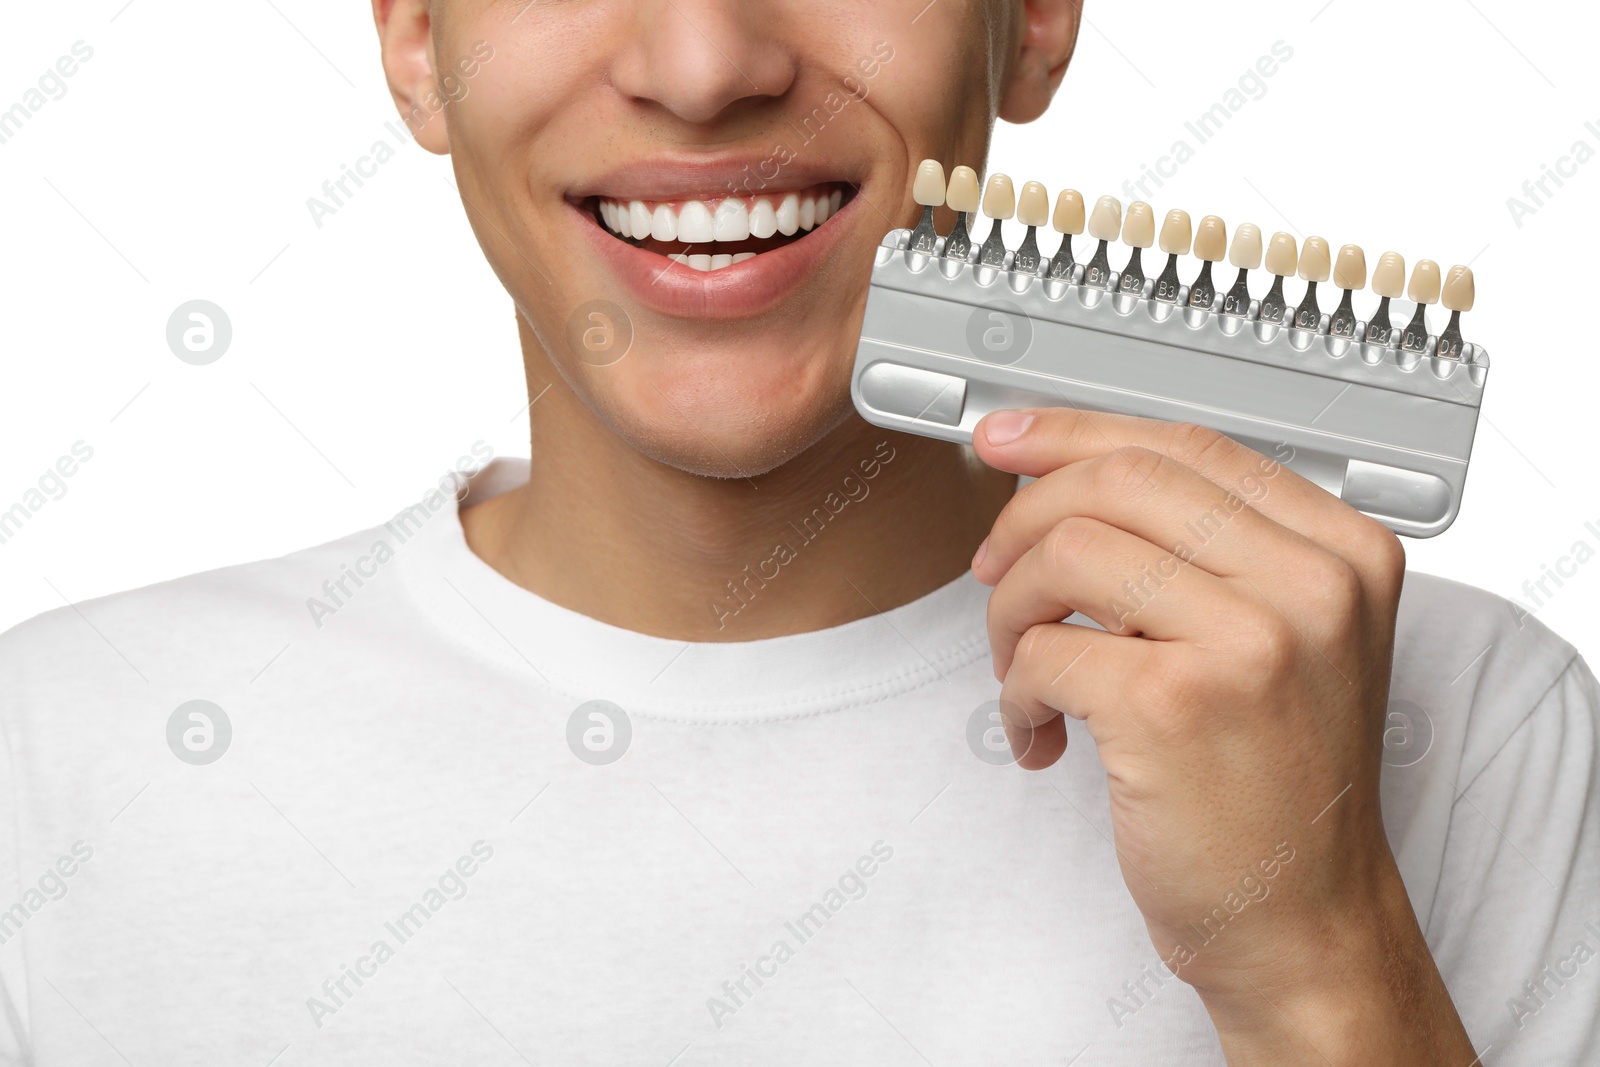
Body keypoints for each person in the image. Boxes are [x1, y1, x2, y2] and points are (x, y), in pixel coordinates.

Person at [3, 0, 1596, 1062]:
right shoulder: (56, 768)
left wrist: (1320, 965)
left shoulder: (1462, 729)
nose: (703, 68)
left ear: (1031, 19)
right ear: (417, 42)